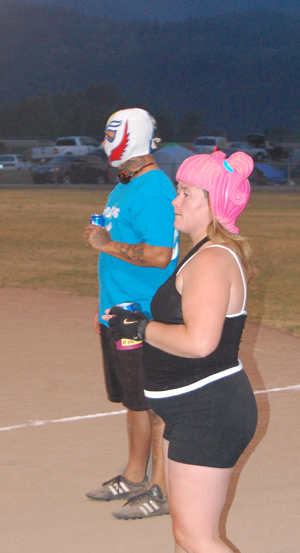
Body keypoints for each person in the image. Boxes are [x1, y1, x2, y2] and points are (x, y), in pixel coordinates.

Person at [105, 150, 258, 551]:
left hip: (207, 412)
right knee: (186, 534)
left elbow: (199, 342)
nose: (175, 200)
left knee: (197, 537)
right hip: (193, 410)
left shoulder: (211, 260)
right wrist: (141, 324)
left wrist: (141, 327)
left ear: (214, 202)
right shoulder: (203, 253)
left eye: (186, 193)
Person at [84, 108, 179, 519]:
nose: (105, 142)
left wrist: (106, 244)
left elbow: (159, 255)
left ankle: (161, 490)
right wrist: (102, 309)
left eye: (110, 134)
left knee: (156, 407)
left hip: (143, 316)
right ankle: (134, 475)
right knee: (135, 402)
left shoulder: (153, 188)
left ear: (129, 138)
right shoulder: (123, 186)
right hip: (118, 313)